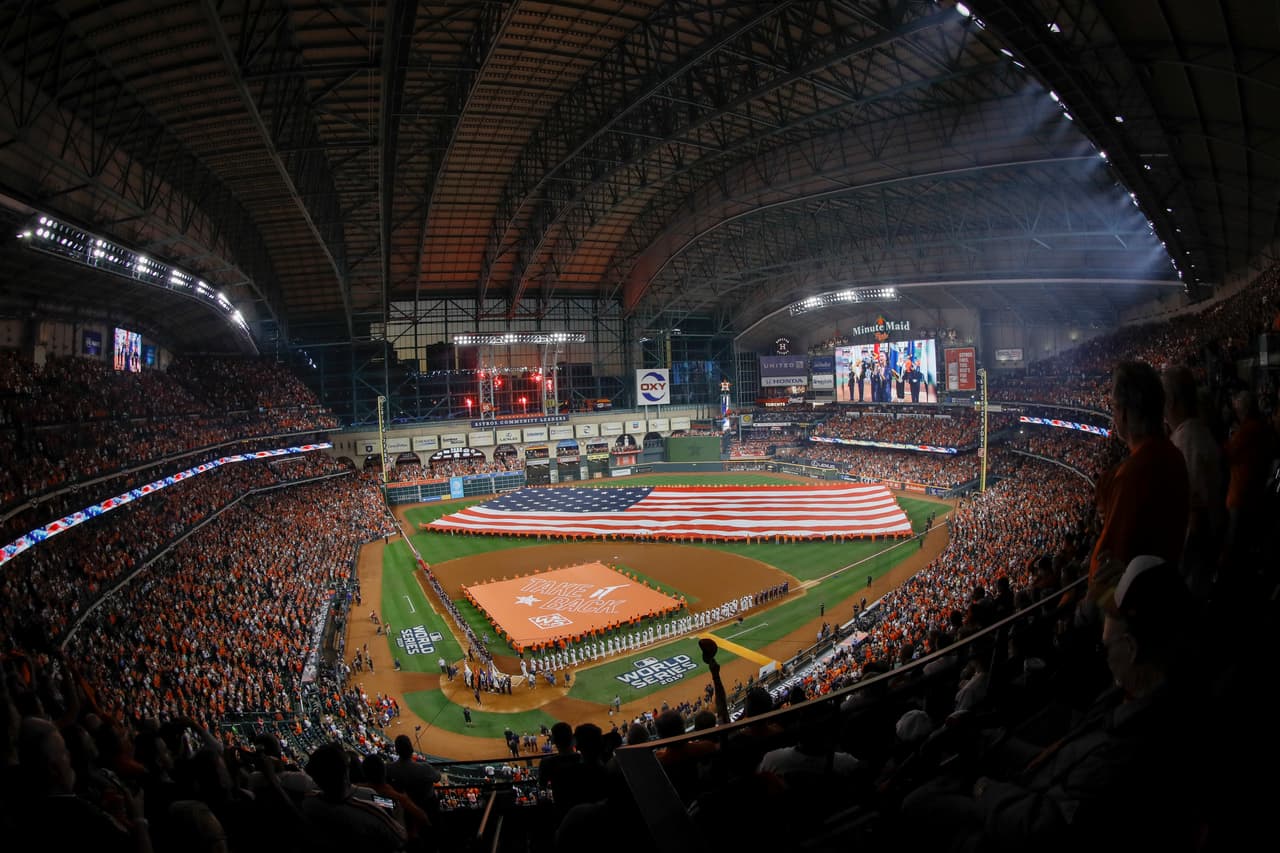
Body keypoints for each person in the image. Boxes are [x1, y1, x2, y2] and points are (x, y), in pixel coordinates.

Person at [900, 555, 1207, 851]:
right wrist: (984, 738)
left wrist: (982, 789)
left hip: (1023, 816)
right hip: (1035, 784)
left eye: (1107, 641)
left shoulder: (1136, 743)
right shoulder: (1130, 695)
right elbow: (1060, 758)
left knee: (915, 803)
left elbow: (1046, 828)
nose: (1102, 645)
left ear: (1130, 648)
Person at [1089, 361, 1189, 584]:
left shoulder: (1131, 476)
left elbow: (1108, 564)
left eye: (1114, 407)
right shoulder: (1173, 454)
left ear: (1124, 413)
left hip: (1141, 598)